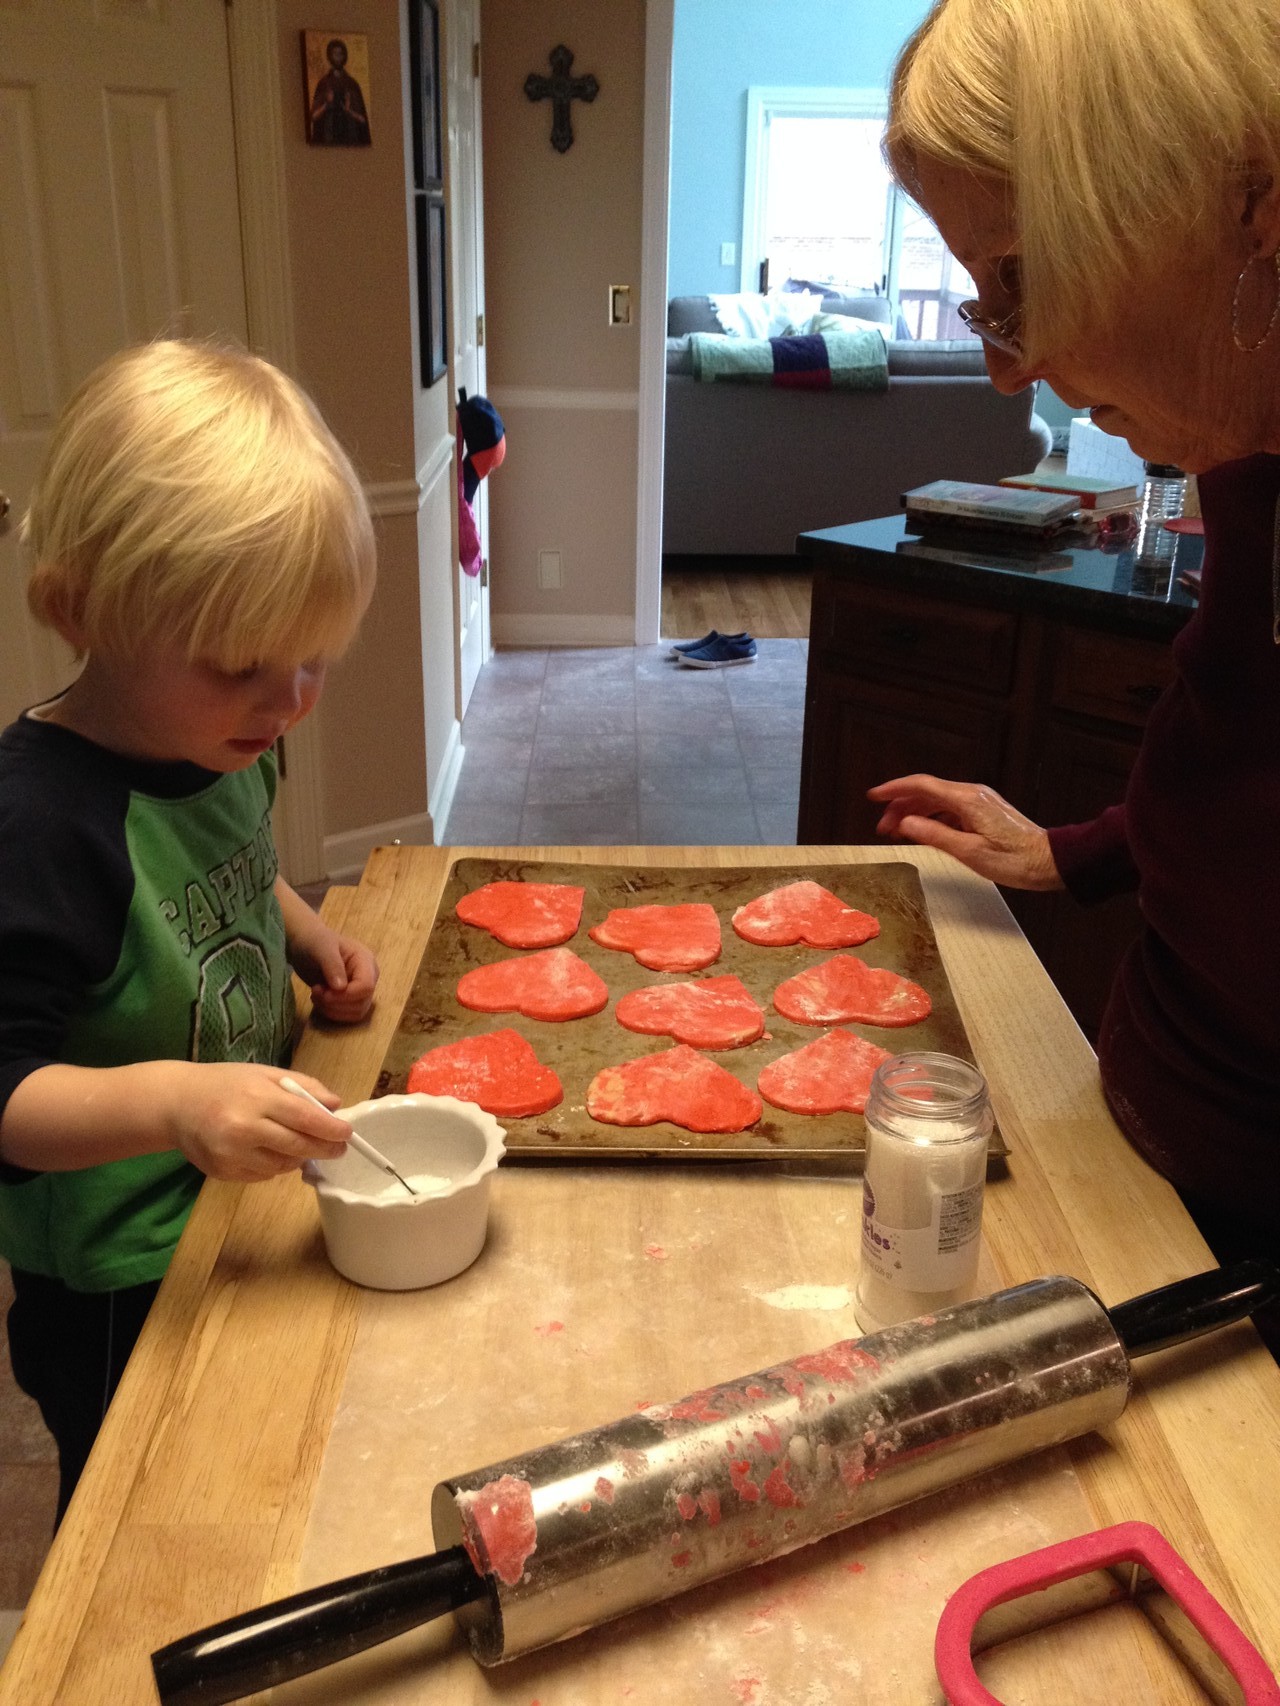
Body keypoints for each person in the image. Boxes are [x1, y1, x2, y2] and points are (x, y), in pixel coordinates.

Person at [867, 0, 1280, 1335]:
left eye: (1025, 282)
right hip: (1157, 1170)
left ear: (1253, 211)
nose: (1007, 366)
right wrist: (1080, 850)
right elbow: (1240, 770)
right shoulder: (1248, 453)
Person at [0, 339, 381, 1520]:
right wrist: (173, 1102)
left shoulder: (216, 737)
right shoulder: (38, 821)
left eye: (312, 657)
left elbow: (233, 861)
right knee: (144, 1517)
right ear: (83, 611)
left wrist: (309, 935)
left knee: (258, 1473)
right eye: (241, 666)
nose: (287, 703)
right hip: (120, 1276)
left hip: (239, 1199)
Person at [308, 38, 370, 147]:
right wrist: (327, 104)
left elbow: (362, 119)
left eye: (340, 54)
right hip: (328, 134)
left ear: (344, 56)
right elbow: (314, 117)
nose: (338, 57)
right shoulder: (324, 83)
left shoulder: (352, 84)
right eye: (335, 54)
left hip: (350, 135)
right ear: (330, 56)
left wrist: (349, 110)